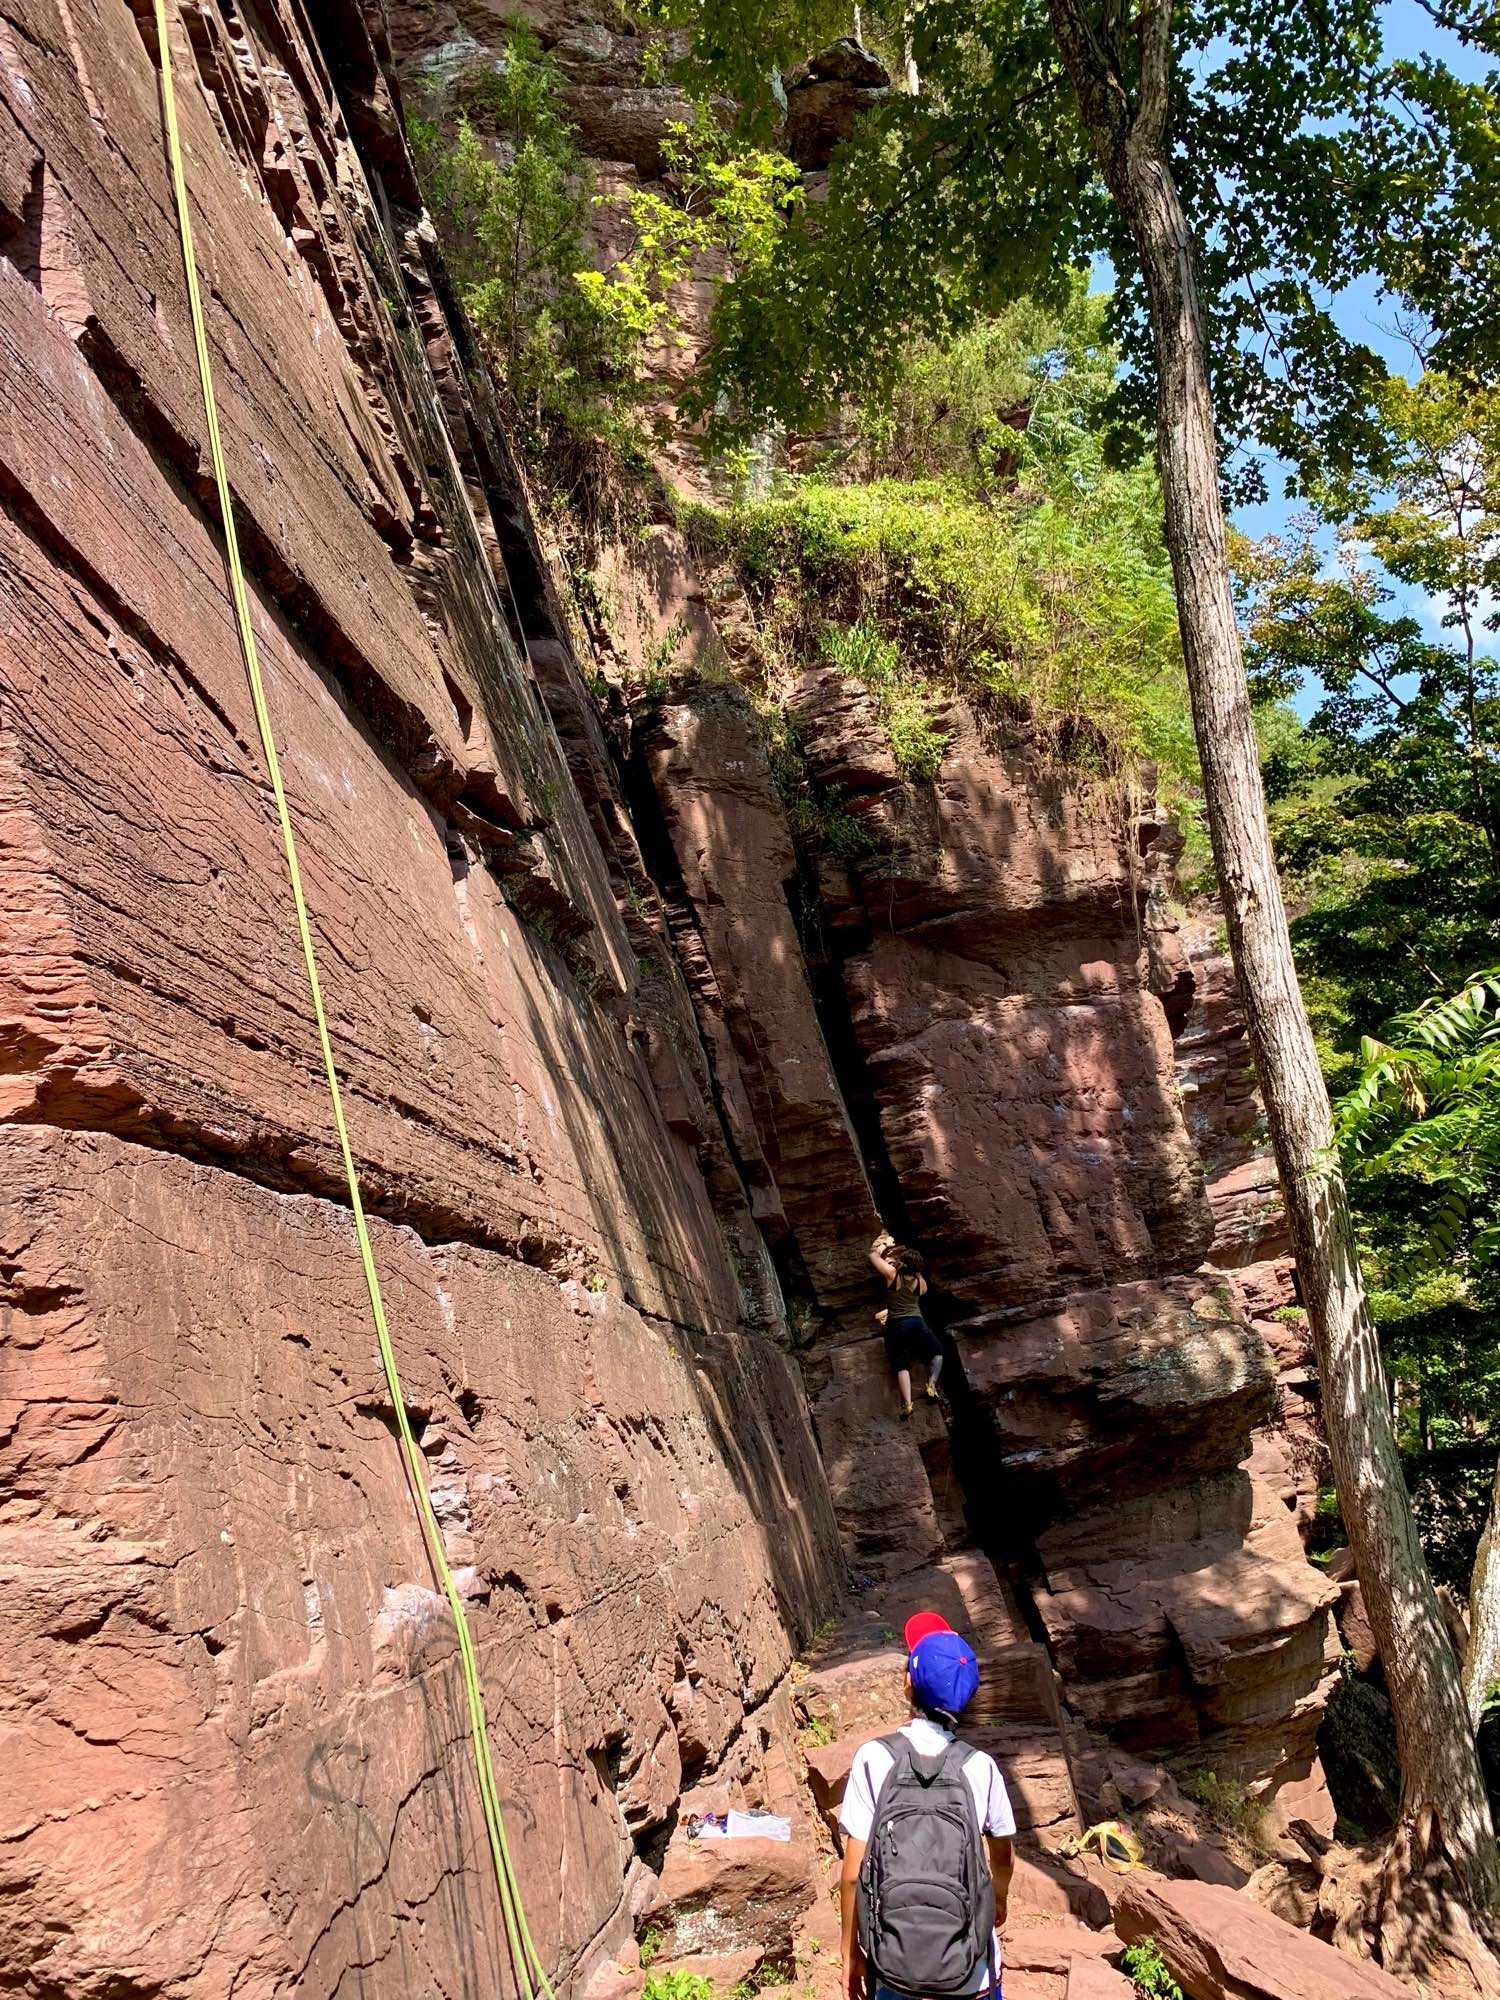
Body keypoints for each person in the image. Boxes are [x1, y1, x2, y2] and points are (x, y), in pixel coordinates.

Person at [839, 1611, 1014, 2000]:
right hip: (971, 1972)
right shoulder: (981, 1767)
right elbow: (1002, 1857)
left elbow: (852, 1875)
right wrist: (997, 1897)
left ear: (907, 1684)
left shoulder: (873, 1757)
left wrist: (851, 1954)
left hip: (894, 1968)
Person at [870, 1231, 942, 1420]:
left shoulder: (892, 1275)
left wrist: (885, 1245)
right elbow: (921, 1288)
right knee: (937, 1352)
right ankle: (931, 1385)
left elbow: (872, 1256)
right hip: (917, 1323)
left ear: (902, 1263)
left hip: (897, 1325)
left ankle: (908, 1405)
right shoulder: (920, 1282)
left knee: (901, 1364)